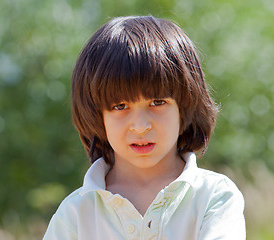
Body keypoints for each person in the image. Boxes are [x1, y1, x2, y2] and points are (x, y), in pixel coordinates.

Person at [43, 16, 246, 240]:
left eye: (157, 102)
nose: (140, 127)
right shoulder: (75, 214)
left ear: (185, 106)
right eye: (120, 106)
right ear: (96, 115)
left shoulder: (214, 196)